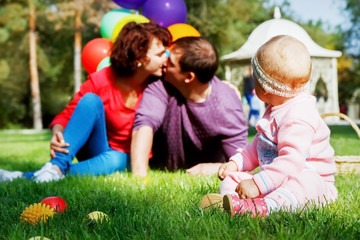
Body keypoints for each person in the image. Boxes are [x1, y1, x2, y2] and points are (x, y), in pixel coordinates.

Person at [0, 22, 172, 183]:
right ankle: (56, 166)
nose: (166, 58)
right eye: (159, 54)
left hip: (130, 157)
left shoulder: (158, 87)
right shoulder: (103, 79)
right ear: (138, 58)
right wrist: (57, 134)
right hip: (98, 148)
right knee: (90, 100)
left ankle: (28, 176)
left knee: (117, 158)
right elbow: (68, 115)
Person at [201, 35, 337, 217]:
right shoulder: (275, 109)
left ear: (263, 87)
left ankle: (264, 208)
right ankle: (233, 203)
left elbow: (291, 162)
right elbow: (258, 146)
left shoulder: (298, 115)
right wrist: (237, 163)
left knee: (307, 182)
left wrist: (258, 184)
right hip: (276, 180)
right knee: (233, 179)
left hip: (308, 182)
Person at [131, 37, 248, 177]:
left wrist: (215, 168)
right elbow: (144, 124)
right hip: (162, 166)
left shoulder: (227, 105)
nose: (164, 62)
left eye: (171, 62)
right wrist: (139, 178)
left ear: (189, 77)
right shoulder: (161, 86)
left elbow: (242, 162)